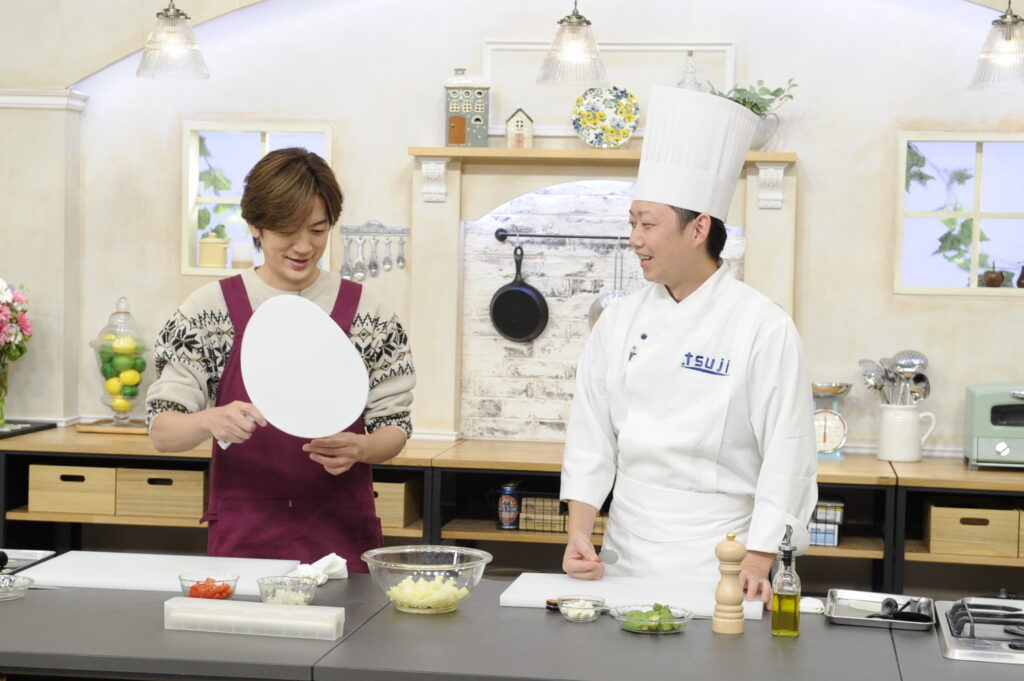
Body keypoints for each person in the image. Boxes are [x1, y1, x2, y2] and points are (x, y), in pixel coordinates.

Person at [559, 87, 817, 605]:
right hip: (624, 552)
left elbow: (789, 450)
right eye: (632, 222)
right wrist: (579, 532)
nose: (634, 238)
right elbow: (591, 434)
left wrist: (759, 559)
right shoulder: (619, 320)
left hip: (724, 559)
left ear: (699, 228)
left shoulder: (762, 325)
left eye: (648, 224)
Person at [146, 147, 415, 570]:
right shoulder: (207, 312)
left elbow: (395, 428)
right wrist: (208, 420)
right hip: (245, 543)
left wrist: (363, 447)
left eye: (318, 230)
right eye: (287, 231)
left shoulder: (370, 314)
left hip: (340, 541)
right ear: (255, 226)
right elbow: (163, 432)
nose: (304, 247)